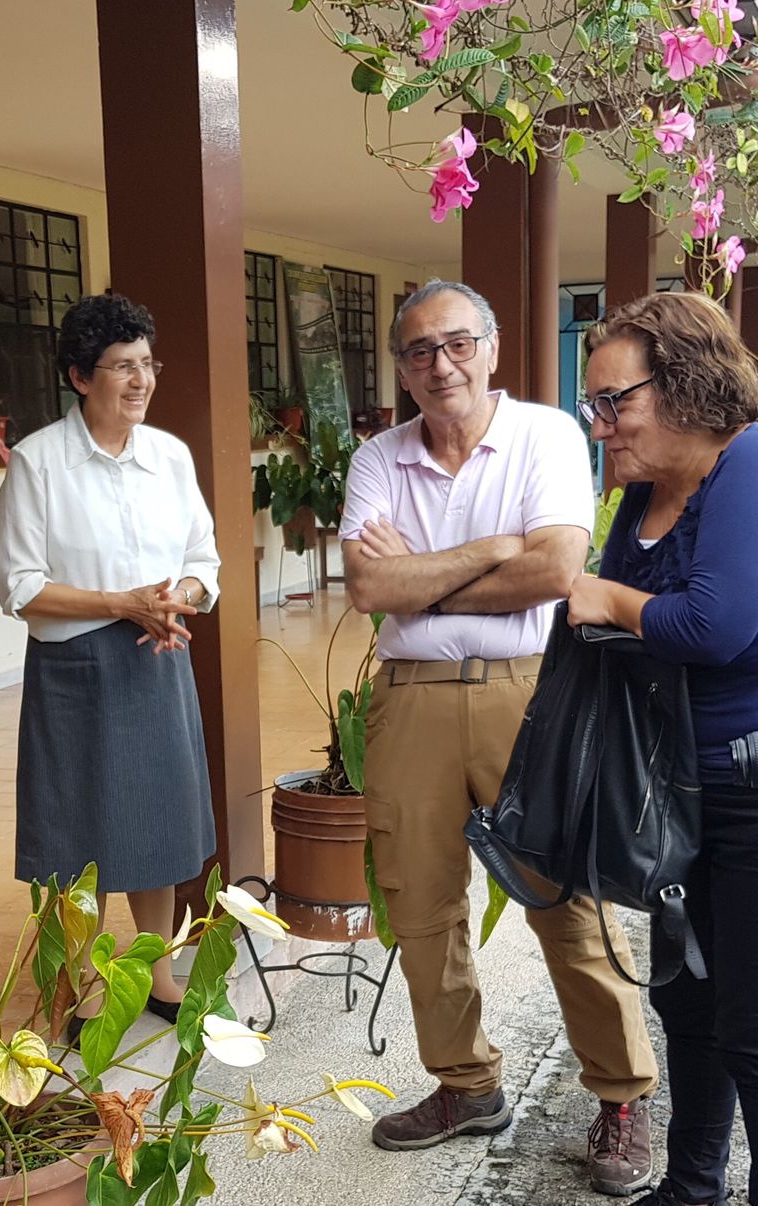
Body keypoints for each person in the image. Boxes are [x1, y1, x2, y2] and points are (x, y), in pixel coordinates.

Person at [340, 279, 659, 1196]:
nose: (438, 365)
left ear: (490, 345)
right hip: (409, 700)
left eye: (455, 344)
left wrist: (419, 573)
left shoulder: (547, 434)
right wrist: (489, 550)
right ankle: (465, 1084)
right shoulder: (379, 457)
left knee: (567, 897)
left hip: (531, 691)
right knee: (420, 903)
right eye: (416, 351)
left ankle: (623, 1096)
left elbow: (558, 566)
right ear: (400, 368)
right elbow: (370, 592)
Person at [566, 291, 758, 1206]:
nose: (599, 425)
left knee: (750, 1025)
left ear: (685, 384)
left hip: (748, 790)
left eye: (615, 402)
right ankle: (692, 1188)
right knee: (686, 1004)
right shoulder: (641, 493)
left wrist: (611, 603)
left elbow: (713, 626)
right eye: (592, 406)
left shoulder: (749, 463)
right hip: (671, 789)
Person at [0, 292, 218, 1030]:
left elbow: (202, 561)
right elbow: (21, 588)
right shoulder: (38, 462)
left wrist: (174, 597)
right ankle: (77, 984)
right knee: (76, 835)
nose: (141, 380)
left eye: (147, 364)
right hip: (76, 672)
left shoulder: (170, 456)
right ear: (80, 377)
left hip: (158, 656)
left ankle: (156, 974)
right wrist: (123, 604)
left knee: (155, 827)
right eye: (123, 367)